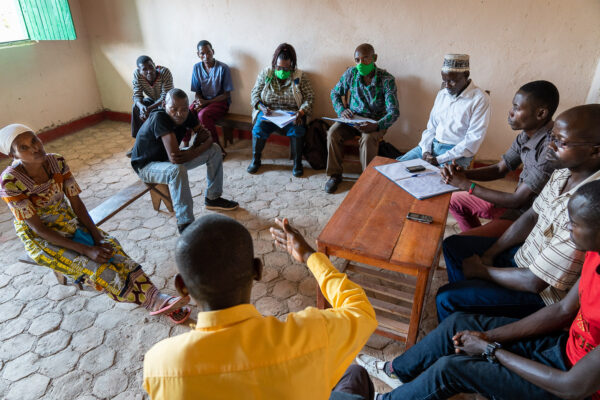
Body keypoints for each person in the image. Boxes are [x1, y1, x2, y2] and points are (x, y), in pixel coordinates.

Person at [356, 179, 600, 400]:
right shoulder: (594, 254)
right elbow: (562, 310)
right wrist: (489, 336)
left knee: (451, 368)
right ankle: (397, 371)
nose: (567, 228)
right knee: (459, 323)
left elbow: (572, 387)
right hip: (563, 348)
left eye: (575, 224)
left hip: (573, 388)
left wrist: (489, 348)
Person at [143, 215, 378, 399]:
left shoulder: (159, 365)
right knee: (356, 374)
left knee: (353, 375)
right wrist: (309, 256)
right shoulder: (310, 334)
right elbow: (362, 310)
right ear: (257, 271)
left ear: (182, 287)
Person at [0, 124, 191, 324]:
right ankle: (152, 302)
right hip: (41, 238)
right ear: (14, 155)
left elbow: (76, 203)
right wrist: (86, 250)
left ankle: (156, 297)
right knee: (95, 267)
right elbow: (38, 229)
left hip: (66, 220)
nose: (34, 148)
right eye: (23, 148)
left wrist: (97, 236)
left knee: (112, 247)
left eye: (34, 140)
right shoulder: (10, 182)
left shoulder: (56, 162)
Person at [436, 104, 600, 321]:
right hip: (523, 258)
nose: (551, 145)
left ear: (595, 150)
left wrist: (483, 270)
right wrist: (490, 253)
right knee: (454, 246)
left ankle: (466, 316)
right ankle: (471, 310)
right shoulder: (564, 172)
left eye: (561, 142)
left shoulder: (589, 205)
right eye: (553, 137)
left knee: (446, 298)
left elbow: (536, 282)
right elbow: (532, 216)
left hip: (542, 295)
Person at [443, 80, 559, 237]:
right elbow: (499, 169)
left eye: (517, 108)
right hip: (516, 207)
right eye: (513, 106)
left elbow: (517, 200)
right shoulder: (526, 135)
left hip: (529, 217)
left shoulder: (549, 150)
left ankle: (475, 244)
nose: (511, 112)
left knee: (452, 244)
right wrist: (464, 174)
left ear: (541, 113)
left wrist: (465, 184)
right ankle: (476, 243)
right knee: (455, 201)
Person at [131, 88, 238, 234]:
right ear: (164, 105)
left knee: (214, 150)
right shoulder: (159, 117)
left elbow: (208, 137)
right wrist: (196, 149)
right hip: (147, 166)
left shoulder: (187, 115)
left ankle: (213, 198)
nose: (179, 114)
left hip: (167, 159)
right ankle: (185, 223)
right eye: (173, 109)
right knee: (177, 170)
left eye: (183, 109)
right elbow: (175, 158)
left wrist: (196, 150)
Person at [324, 43, 400, 194]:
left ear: (374, 58)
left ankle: (367, 180)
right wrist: (341, 110)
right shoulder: (351, 74)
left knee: (367, 139)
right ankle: (334, 175)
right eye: (357, 60)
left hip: (375, 122)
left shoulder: (387, 80)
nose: (360, 63)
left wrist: (376, 126)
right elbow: (335, 93)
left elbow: (394, 112)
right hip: (352, 119)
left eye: (365, 59)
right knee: (333, 133)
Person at [397, 54, 490, 169]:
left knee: (437, 182)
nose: (447, 86)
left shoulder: (480, 98)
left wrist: (439, 159)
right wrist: (426, 151)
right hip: (431, 147)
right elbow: (431, 128)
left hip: (457, 153)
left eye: (451, 81)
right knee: (394, 167)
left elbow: (472, 141)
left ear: (466, 75)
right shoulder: (442, 94)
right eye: (444, 81)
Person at [248, 43, 314, 177]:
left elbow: (310, 98)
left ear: (292, 65)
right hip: (269, 113)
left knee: (297, 129)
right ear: (274, 64)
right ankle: (256, 160)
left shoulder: (300, 76)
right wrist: (261, 107)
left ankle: (297, 163)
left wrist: (300, 113)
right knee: (259, 127)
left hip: (292, 115)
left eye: (286, 68)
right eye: (279, 67)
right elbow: (254, 93)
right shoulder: (267, 73)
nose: (282, 70)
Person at [186, 40, 234, 157]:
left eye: (208, 52)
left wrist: (206, 102)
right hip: (204, 101)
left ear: (213, 51)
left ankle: (217, 147)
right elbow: (197, 91)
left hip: (220, 102)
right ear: (198, 54)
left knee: (203, 115)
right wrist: (199, 101)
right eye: (202, 53)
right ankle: (185, 143)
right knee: (186, 112)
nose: (206, 56)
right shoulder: (197, 68)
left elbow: (226, 95)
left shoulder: (223, 68)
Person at [129, 55, 174, 157]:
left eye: (150, 67)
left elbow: (165, 96)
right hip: (152, 100)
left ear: (154, 65)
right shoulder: (137, 74)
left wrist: (148, 109)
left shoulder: (164, 72)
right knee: (135, 107)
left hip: (167, 101)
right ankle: (138, 144)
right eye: (144, 69)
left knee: (160, 111)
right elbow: (137, 95)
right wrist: (141, 107)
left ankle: (162, 145)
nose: (149, 71)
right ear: (139, 70)